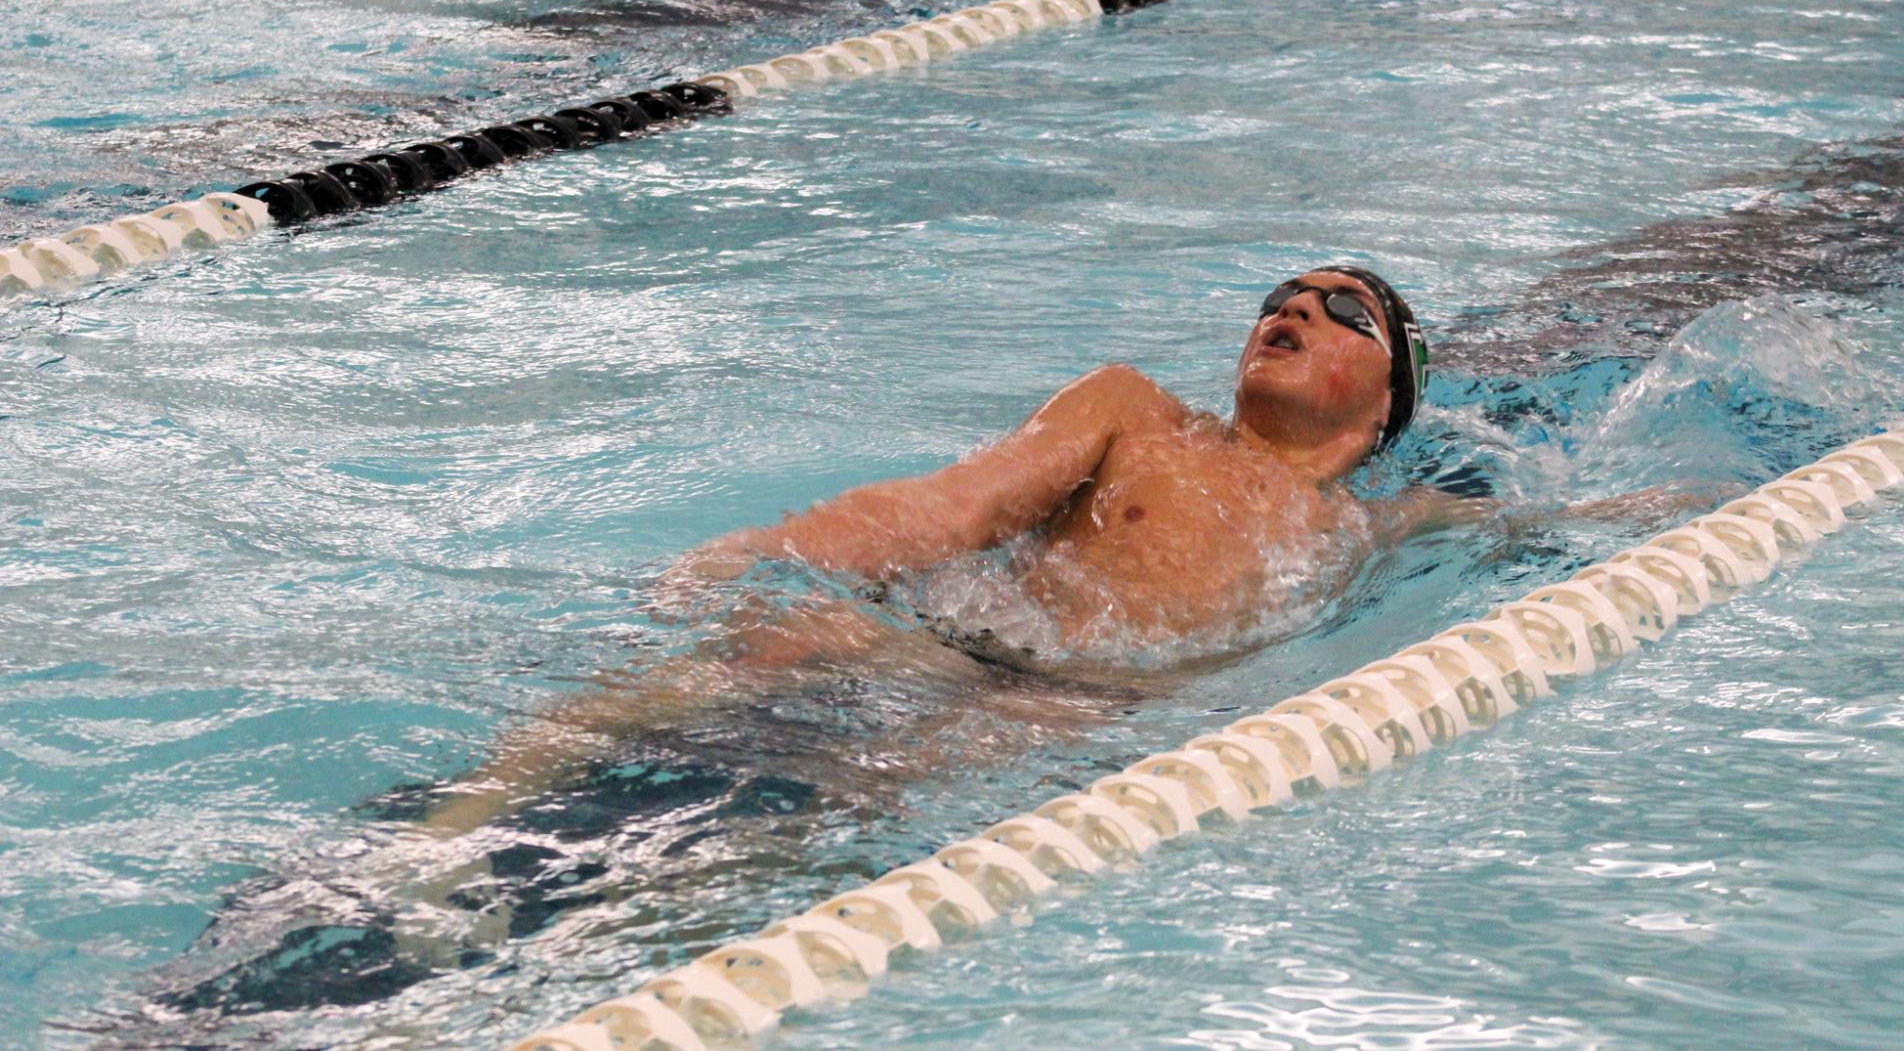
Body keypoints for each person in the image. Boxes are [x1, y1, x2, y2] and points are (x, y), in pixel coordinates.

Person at [414, 265, 1673, 838]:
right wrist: (770, 545)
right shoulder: (1135, 409)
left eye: (1343, 310)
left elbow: (1560, 535)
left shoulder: (1380, 526)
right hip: (941, 635)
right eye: (1279, 297)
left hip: (1067, 719)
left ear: (1387, 399)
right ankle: (441, 834)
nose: (1291, 308)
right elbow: (954, 510)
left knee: (834, 813)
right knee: (754, 649)